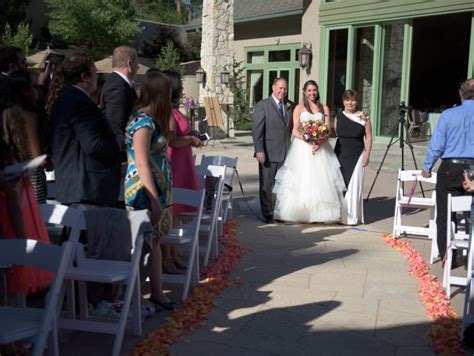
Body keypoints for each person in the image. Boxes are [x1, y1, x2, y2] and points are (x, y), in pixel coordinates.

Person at [124, 70, 176, 310]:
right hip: (144, 190)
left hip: (158, 187)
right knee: (144, 241)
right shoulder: (142, 122)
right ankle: (149, 292)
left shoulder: (152, 119)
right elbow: (141, 161)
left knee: (155, 241)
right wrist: (154, 198)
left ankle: (156, 291)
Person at [50, 51, 121, 206]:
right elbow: (94, 144)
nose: (97, 78)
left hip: (74, 186)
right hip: (86, 188)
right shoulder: (79, 102)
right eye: (95, 73)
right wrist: (118, 149)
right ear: (84, 77)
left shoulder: (66, 97)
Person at [272, 80, 345, 223]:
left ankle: (320, 214)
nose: (312, 93)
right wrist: (308, 139)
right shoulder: (299, 108)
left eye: (314, 90)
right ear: (305, 92)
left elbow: (327, 128)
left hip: (321, 148)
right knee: (303, 179)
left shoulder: (324, 108)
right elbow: (294, 129)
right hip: (302, 148)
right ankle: (300, 212)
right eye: (309, 90)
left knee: (321, 180)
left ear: (317, 91)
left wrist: (320, 141)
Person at [421, 78, 474, 261]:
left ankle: (447, 258)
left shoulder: (448, 114)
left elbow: (436, 145)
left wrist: (427, 167)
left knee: (445, 214)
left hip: (451, 167)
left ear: (461, 94)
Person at [162, 69, 201, 274]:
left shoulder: (174, 110)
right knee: (171, 210)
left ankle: (174, 253)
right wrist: (191, 140)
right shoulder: (167, 111)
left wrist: (191, 134)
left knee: (177, 213)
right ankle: (167, 257)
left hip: (182, 162)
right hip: (174, 164)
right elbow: (172, 140)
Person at [252, 77, 292, 223]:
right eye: (280, 88)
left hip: (285, 151)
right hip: (268, 152)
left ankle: (278, 211)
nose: (282, 91)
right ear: (273, 88)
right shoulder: (263, 105)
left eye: (285, 89)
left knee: (281, 185)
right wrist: (259, 150)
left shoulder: (288, 106)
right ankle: (268, 213)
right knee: (267, 185)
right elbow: (257, 130)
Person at [334, 89, 373, 225]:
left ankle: (350, 218)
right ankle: (339, 216)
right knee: (339, 185)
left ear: (357, 101)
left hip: (357, 155)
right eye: (347, 99)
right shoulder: (339, 116)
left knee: (353, 187)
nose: (350, 102)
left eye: (353, 99)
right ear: (343, 101)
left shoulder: (363, 116)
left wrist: (367, 155)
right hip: (340, 154)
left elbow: (368, 137)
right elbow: (336, 134)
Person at [100, 45, 139, 154]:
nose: (138, 68)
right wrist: (123, 159)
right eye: (137, 64)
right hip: (120, 156)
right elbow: (116, 127)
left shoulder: (118, 84)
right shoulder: (118, 87)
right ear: (129, 64)